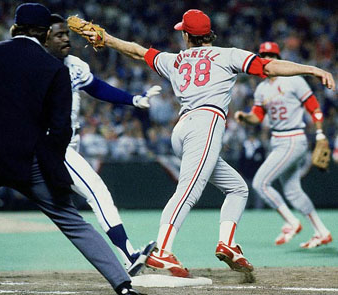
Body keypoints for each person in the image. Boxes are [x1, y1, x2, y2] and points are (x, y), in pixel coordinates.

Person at [81, 9, 335, 277]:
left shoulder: (175, 59)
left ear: (188, 36)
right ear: (209, 34)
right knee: (188, 190)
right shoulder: (228, 54)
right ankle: (163, 251)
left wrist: (107, 38)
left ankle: (228, 244)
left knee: (238, 188)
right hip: (205, 124)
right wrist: (310, 69)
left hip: (184, 129)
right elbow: (269, 66)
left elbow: (135, 50)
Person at [0, 4, 139, 295]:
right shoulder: (53, 67)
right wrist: (50, 164)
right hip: (28, 159)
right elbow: (60, 128)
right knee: (73, 222)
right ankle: (123, 285)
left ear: (15, 28)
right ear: (44, 34)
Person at [44, 14, 157, 276]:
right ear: (44, 38)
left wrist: (133, 100)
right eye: (58, 35)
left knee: (64, 208)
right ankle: (129, 255)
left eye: (66, 34)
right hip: (51, 144)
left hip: (70, 143)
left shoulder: (74, 64)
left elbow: (96, 87)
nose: (65, 39)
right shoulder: (35, 66)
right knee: (98, 192)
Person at [234, 42, 333, 249]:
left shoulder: (294, 81)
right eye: (264, 55)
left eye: (272, 54)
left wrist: (321, 133)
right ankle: (322, 232)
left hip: (293, 138)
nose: (269, 57)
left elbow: (313, 107)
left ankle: (291, 222)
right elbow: (258, 117)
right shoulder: (261, 89)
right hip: (278, 141)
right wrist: (245, 117)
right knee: (293, 191)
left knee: (260, 183)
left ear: (279, 57)